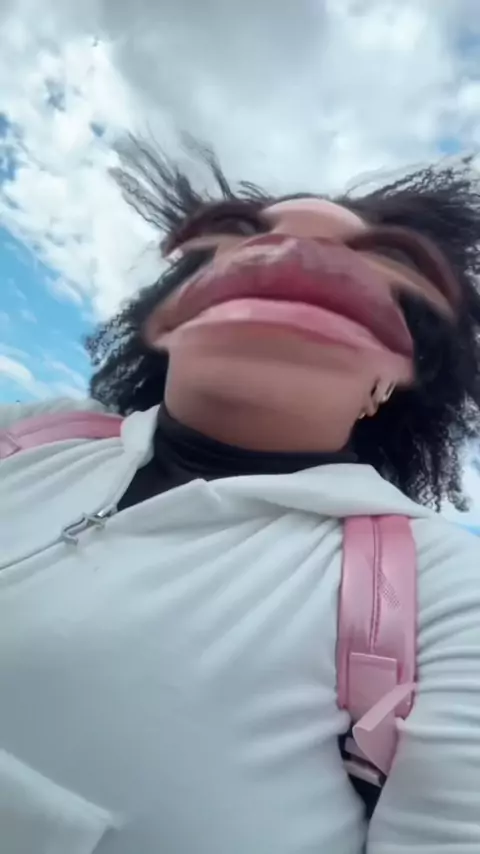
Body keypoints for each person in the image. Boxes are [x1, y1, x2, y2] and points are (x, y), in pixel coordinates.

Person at [2, 141, 480, 854]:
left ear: (386, 379)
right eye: (246, 243)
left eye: (364, 270)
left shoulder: (446, 587)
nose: (290, 252)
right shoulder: (31, 432)